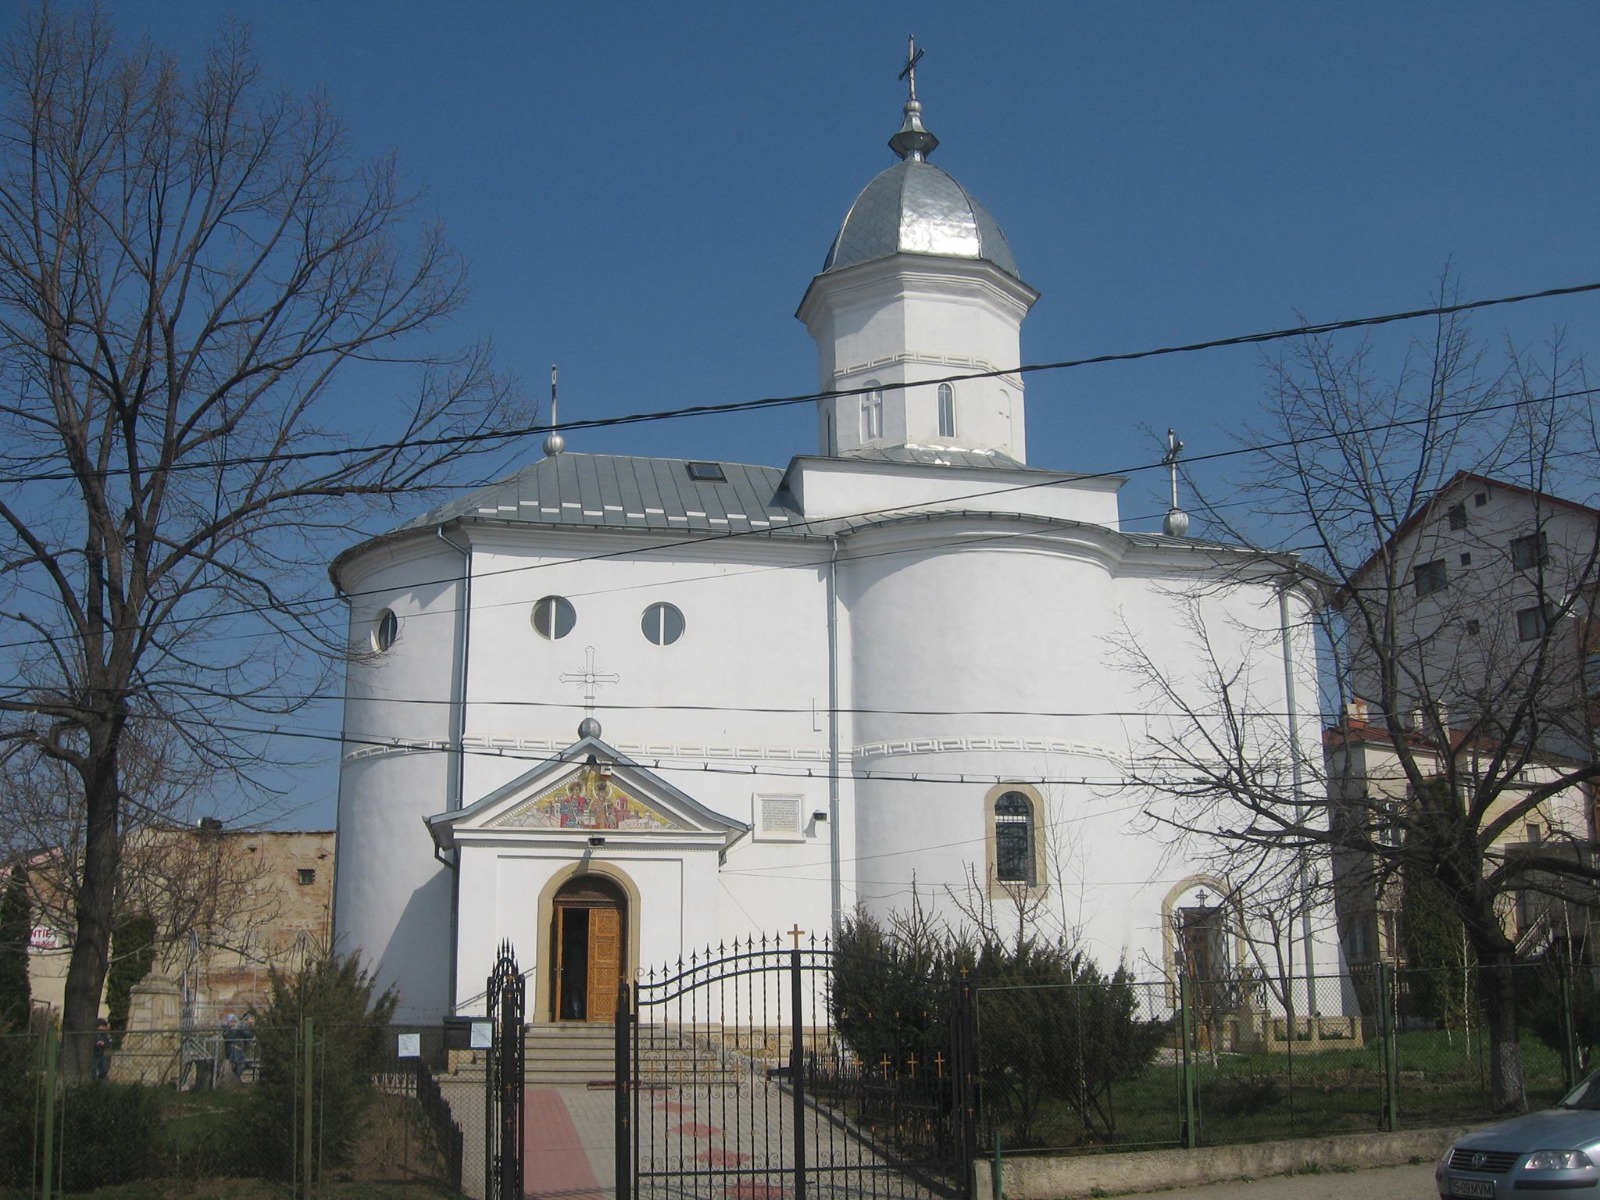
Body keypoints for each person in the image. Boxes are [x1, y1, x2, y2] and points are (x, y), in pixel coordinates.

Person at [223, 1013, 247, 1080]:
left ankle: (238, 1078)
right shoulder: (226, 1030)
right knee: (234, 1066)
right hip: (232, 1051)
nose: (234, 1023)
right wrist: (236, 1030)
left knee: (241, 1065)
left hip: (241, 1051)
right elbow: (229, 1038)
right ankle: (234, 1079)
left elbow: (248, 1035)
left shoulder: (240, 1029)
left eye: (235, 1021)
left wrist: (241, 1029)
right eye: (232, 1021)